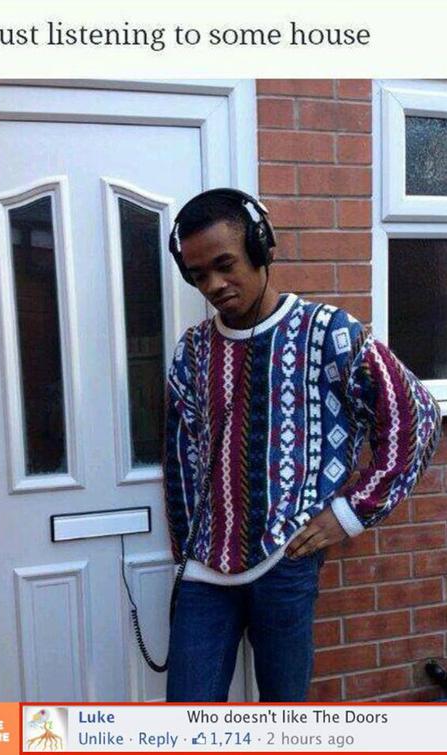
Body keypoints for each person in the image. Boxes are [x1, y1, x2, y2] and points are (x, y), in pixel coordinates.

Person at [163, 188, 443, 702]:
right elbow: (182, 457)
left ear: (260, 247)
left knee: (283, 714)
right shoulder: (193, 351)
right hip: (203, 570)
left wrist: (350, 513)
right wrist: (184, 550)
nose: (214, 285)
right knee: (186, 713)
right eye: (198, 275)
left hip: (285, 563)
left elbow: (415, 418)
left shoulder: (329, 333)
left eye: (224, 265)